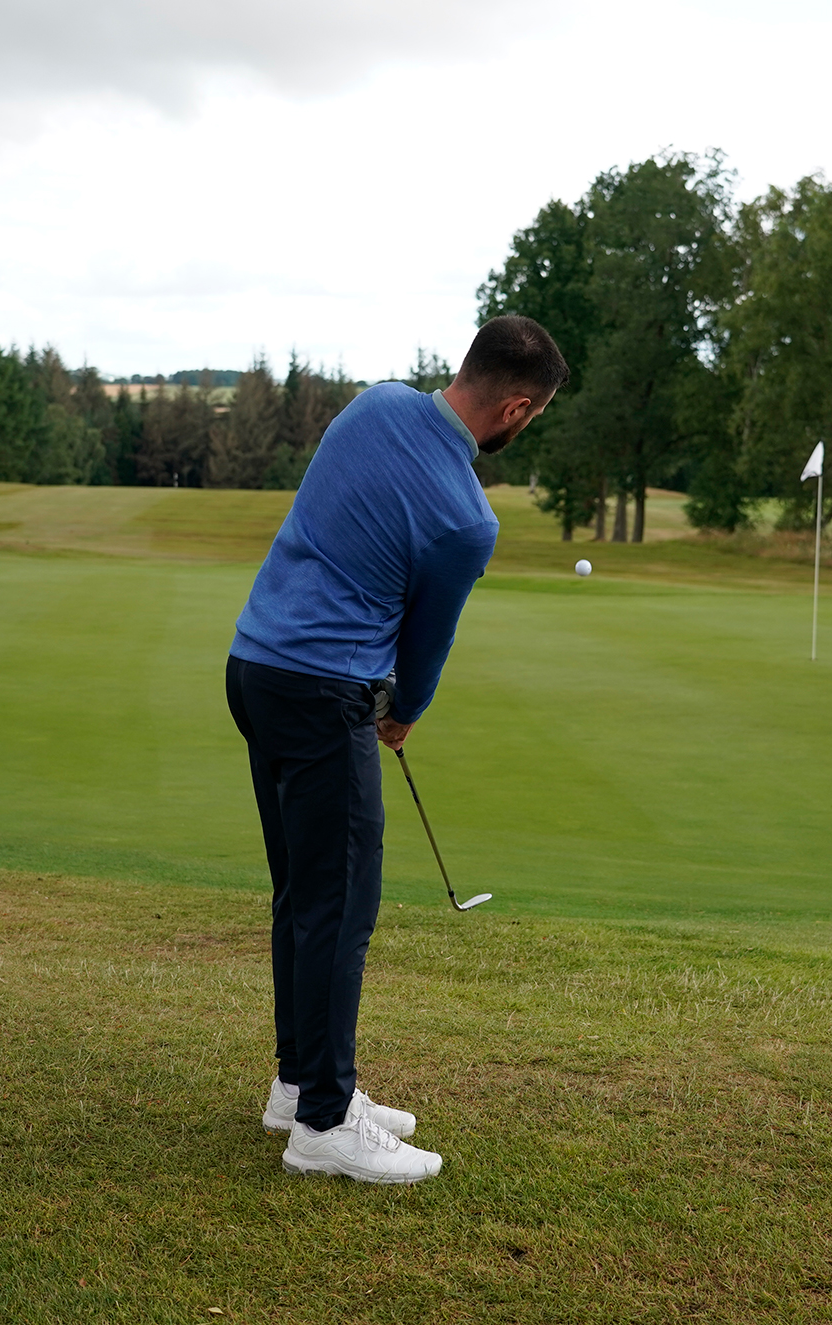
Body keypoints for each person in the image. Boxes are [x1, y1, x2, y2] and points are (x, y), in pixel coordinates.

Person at [225, 315, 568, 1183]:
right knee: (339, 908)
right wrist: (403, 710)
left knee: (303, 892)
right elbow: (424, 647)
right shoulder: (467, 516)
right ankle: (326, 1124)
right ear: (518, 408)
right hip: (322, 690)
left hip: (254, 668)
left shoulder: (375, 404)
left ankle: (300, 1084)